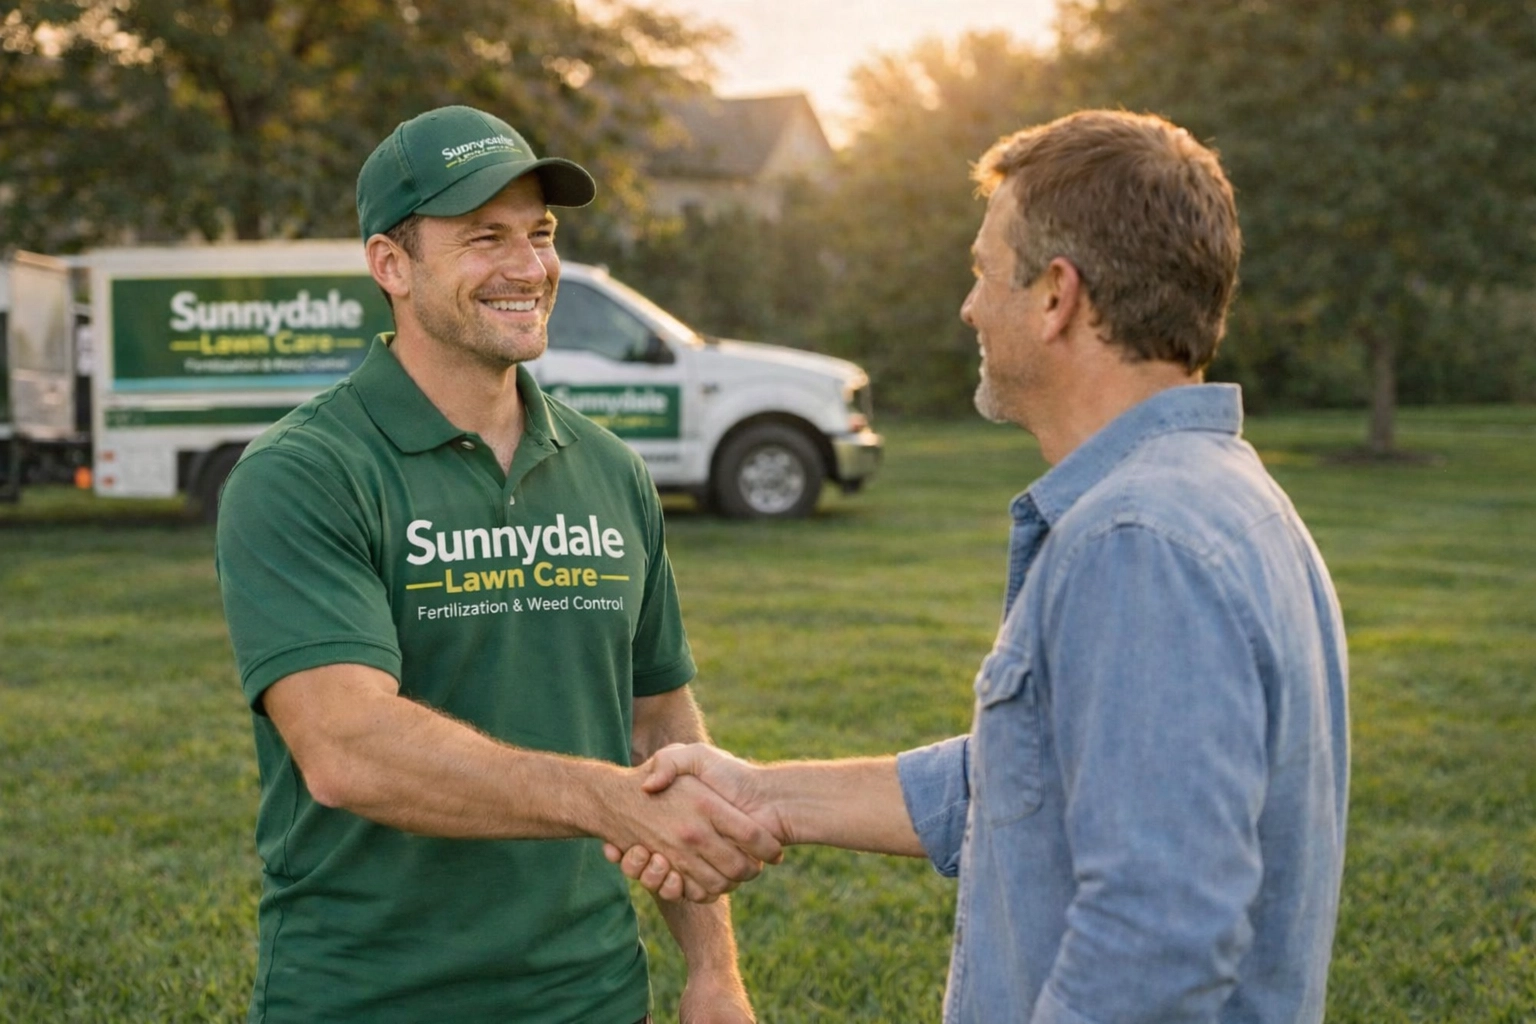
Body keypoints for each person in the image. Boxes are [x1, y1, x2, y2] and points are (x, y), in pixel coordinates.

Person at [610, 110, 1351, 1024]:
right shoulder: (1214, 497)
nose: (967, 306)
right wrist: (762, 793)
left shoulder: (1138, 541)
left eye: (982, 271)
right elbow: (1035, 774)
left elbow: (1157, 938)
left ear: (1055, 296)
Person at [215, 105, 777, 1024]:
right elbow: (347, 750)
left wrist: (714, 970)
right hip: (372, 997)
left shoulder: (609, 469)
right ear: (391, 264)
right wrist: (605, 803)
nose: (529, 268)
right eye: (485, 238)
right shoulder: (303, 473)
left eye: (540, 234)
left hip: (592, 992)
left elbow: (662, 731)